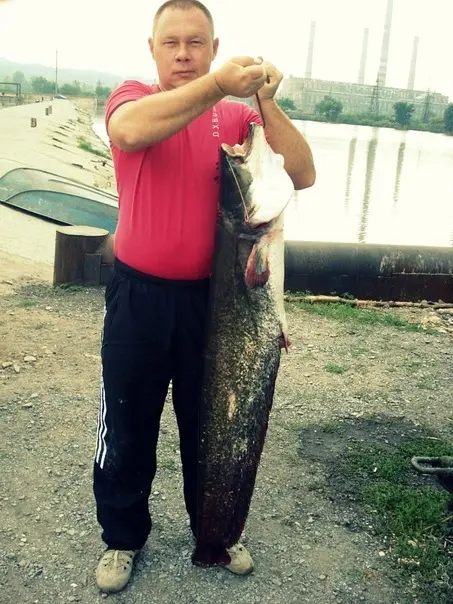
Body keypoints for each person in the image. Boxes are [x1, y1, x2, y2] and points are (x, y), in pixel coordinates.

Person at [93, 0, 316, 594]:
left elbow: (301, 174)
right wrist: (219, 85)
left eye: (198, 42)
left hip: (216, 304)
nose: (185, 53)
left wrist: (265, 100)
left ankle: (215, 530)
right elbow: (128, 131)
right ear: (153, 49)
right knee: (128, 422)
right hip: (139, 298)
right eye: (173, 43)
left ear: (215, 47)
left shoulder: (235, 120)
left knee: (213, 425)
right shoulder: (133, 96)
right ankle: (122, 537)